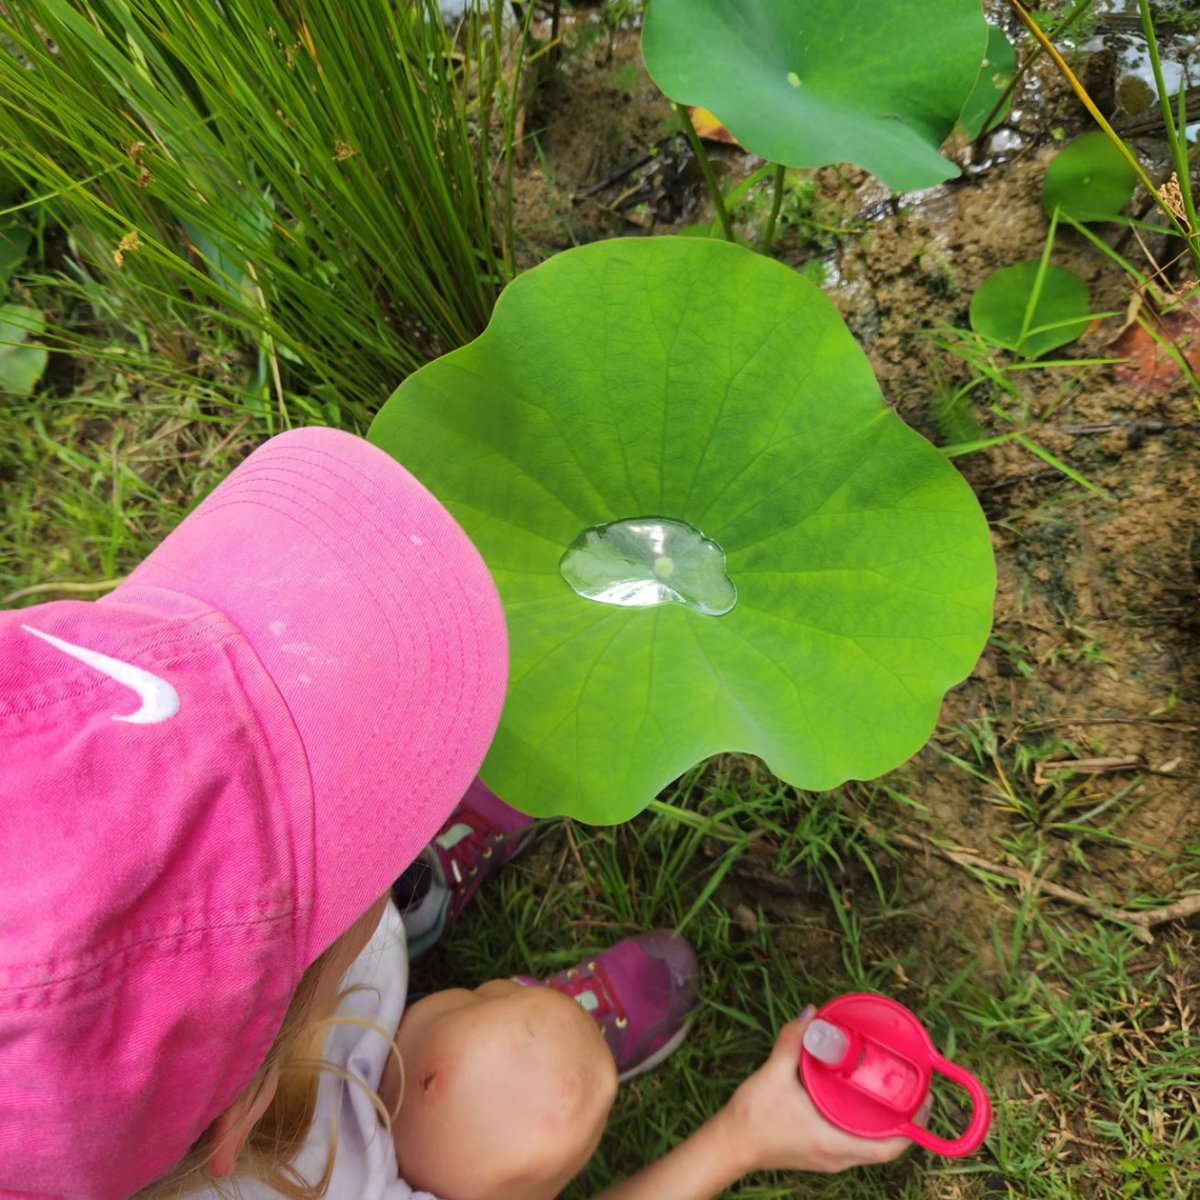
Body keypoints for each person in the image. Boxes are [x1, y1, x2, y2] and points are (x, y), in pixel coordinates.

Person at [0, 428, 915, 1200]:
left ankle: (412, 897)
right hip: (367, 1122)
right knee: (507, 1105)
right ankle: (474, 1081)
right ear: (235, 1110)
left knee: (399, 958)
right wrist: (740, 1139)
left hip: (313, 1043)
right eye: (336, 829)